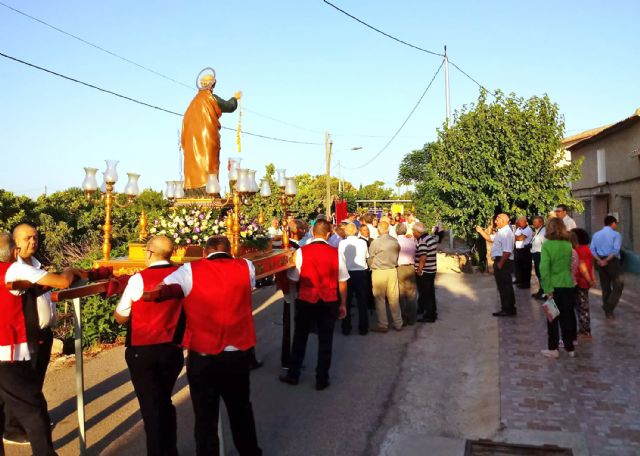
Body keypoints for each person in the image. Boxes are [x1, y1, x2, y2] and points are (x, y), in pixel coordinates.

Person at [162, 236, 261, 455]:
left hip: (203, 354)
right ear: (230, 251)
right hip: (237, 351)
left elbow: (165, 286)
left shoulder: (189, 270)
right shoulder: (246, 266)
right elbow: (250, 287)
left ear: (205, 253)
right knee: (241, 409)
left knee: (205, 416)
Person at [0, 230, 80, 455]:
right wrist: (71, 270)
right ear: (14, 251)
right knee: (35, 411)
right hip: (8, 353)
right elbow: (63, 282)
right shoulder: (14, 268)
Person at [114, 236, 185, 456]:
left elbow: (122, 317)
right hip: (172, 348)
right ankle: (170, 450)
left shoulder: (138, 280)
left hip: (143, 350)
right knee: (163, 401)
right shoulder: (183, 275)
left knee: (151, 407)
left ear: (150, 253)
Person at [280, 219, 349, 390]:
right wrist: (343, 304)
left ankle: (294, 374)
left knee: (300, 337)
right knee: (326, 340)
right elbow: (342, 281)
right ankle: (322, 379)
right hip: (329, 300)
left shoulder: (302, 252)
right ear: (328, 234)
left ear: (312, 233)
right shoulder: (336, 252)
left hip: (306, 299)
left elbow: (294, 278)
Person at [181, 69, 241, 191]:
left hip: (191, 141)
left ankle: (192, 191)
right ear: (212, 85)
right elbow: (229, 106)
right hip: (207, 137)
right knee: (208, 164)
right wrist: (235, 98)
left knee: (195, 165)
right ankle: (209, 191)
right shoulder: (211, 98)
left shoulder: (193, 103)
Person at [539, 218, 577, 358]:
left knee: (552, 318)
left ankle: (553, 348)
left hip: (553, 287)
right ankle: (569, 347)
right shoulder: (567, 245)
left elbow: (544, 269)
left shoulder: (547, 245)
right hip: (568, 285)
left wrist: (547, 289)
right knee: (567, 317)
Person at [476, 214, 516, 317]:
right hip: (501, 261)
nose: (495, 222)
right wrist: (480, 231)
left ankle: (507, 309)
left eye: (497, 220)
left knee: (504, 287)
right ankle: (509, 308)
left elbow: (507, 251)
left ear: (503, 221)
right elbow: (489, 238)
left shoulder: (507, 233)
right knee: (504, 286)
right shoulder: (501, 232)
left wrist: (500, 264)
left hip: (503, 262)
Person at [368, 221, 403, 332]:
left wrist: (371, 266)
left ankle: (383, 324)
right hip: (392, 270)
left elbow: (370, 258)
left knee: (380, 298)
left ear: (379, 229)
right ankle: (398, 323)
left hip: (379, 272)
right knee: (394, 297)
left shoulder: (376, 242)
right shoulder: (395, 241)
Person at [338, 223, 370, 335]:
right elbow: (366, 257)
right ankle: (363, 327)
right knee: (362, 301)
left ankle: (346, 328)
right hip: (360, 272)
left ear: (346, 231)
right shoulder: (362, 242)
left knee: (346, 301)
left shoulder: (342, 243)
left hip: (346, 273)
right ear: (356, 231)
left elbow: (340, 259)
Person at [590, 215, 624, 319]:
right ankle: (608, 307)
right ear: (612, 223)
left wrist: (599, 260)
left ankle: (608, 313)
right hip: (612, 262)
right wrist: (606, 260)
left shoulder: (596, 234)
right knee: (618, 285)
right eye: (616, 223)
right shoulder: (616, 234)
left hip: (600, 262)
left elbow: (592, 249)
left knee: (605, 287)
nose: (616, 225)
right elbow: (615, 250)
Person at [571, 228, 595, 340]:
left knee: (582, 307)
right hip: (586, 282)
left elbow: (582, 267)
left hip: (581, 282)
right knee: (583, 306)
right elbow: (592, 266)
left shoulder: (579, 250)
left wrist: (589, 280)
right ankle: (584, 330)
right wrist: (592, 279)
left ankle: (585, 332)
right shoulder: (587, 249)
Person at [413, 222, 438, 323]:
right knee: (429, 292)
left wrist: (419, 269)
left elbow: (423, 256)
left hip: (425, 271)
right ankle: (428, 311)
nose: (412, 232)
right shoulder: (429, 237)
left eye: (413, 230)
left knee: (426, 293)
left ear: (417, 232)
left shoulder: (422, 240)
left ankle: (429, 315)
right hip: (431, 269)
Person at [396, 223, 418, 325]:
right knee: (412, 294)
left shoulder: (395, 241)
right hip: (410, 267)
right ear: (405, 231)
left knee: (401, 294)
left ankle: (403, 318)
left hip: (399, 268)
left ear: (396, 231)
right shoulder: (412, 241)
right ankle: (412, 318)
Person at [513, 216, 533, 289]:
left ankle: (526, 284)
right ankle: (519, 280)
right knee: (518, 267)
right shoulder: (519, 228)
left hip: (525, 250)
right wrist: (516, 237)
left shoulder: (528, 229)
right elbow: (515, 237)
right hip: (518, 250)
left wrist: (515, 237)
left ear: (525, 221)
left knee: (526, 268)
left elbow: (520, 238)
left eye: (520, 221)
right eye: (518, 221)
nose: (519, 223)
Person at [530, 216, 547, 300]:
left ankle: (544, 292)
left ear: (541, 222)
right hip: (536, 254)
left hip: (540, 255)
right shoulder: (538, 231)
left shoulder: (543, 231)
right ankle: (541, 290)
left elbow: (545, 245)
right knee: (538, 274)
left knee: (541, 274)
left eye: (535, 222)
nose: (533, 224)